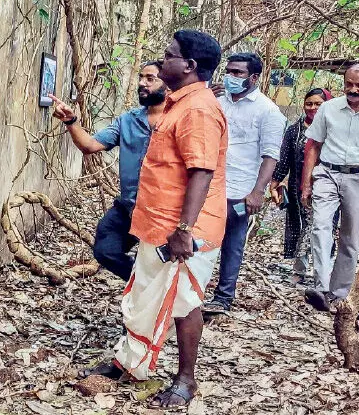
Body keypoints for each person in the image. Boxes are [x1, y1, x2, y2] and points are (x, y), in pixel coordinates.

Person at [82, 30, 226, 408]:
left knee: (183, 301)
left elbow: (202, 171)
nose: (163, 61)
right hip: (156, 223)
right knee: (144, 293)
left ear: (190, 66)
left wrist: (184, 230)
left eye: (170, 55)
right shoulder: (179, 103)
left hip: (184, 230)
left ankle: (185, 380)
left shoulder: (199, 110)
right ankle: (129, 363)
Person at [49, 61, 165, 281]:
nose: (142, 83)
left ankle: (164, 300)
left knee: (162, 262)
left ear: (168, 84)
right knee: (105, 250)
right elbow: (90, 146)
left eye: (150, 79)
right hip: (129, 207)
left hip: (162, 212)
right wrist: (71, 121)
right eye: (141, 77)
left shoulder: (180, 120)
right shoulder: (128, 120)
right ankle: (141, 283)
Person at [301, 63, 359, 312]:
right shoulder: (329, 109)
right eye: (349, 84)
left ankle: (337, 293)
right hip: (328, 173)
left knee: (351, 238)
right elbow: (314, 145)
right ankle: (321, 286)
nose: (353, 90)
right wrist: (306, 182)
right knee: (320, 226)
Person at [204, 53, 286, 312]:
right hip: (209, 182)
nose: (231, 77)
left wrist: (257, 192)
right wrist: (207, 97)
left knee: (232, 243)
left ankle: (223, 297)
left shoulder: (269, 111)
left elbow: (271, 155)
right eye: (228, 71)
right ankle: (192, 291)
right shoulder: (217, 100)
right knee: (200, 238)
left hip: (240, 189)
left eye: (238, 73)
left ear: (253, 77)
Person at [270, 88, 333, 285]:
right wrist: (275, 182)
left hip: (329, 188)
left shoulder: (334, 129)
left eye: (318, 104)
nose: (313, 108)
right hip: (299, 188)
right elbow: (284, 158)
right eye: (309, 104)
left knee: (323, 229)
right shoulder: (294, 130)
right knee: (301, 227)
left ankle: (323, 272)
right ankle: (299, 269)